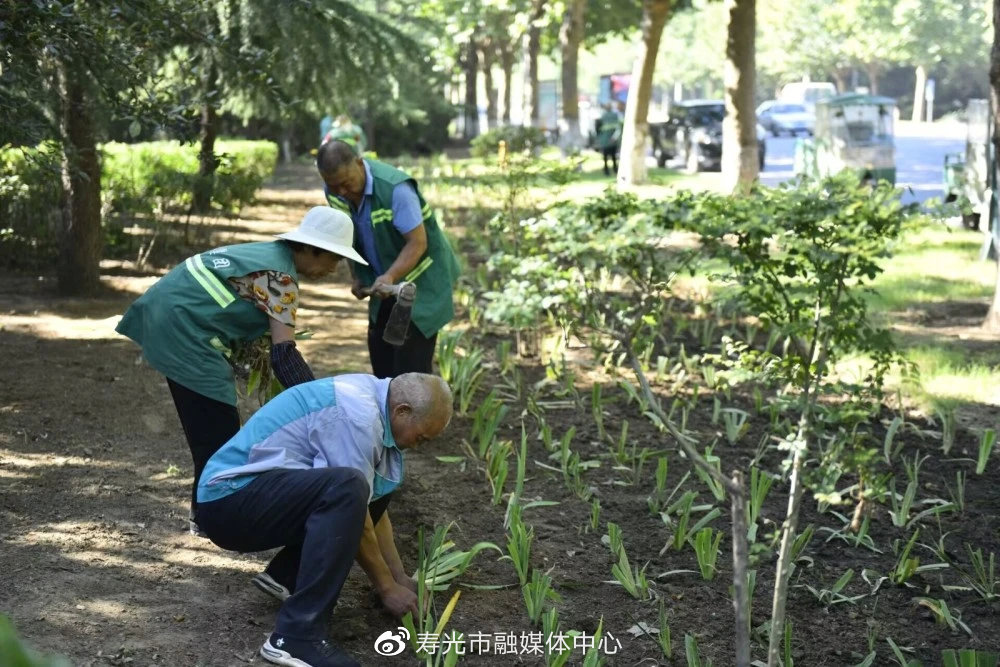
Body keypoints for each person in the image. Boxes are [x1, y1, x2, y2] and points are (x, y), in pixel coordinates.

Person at [115, 207, 367, 534]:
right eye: (334, 259)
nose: (335, 269)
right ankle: (212, 518)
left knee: (212, 428)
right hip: (184, 329)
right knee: (219, 435)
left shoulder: (268, 255)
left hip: (168, 312)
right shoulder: (282, 279)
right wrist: (320, 407)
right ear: (312, 250)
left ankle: (204, 514)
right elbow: (285, 356)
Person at [196, 372, 453, 667]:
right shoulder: (357, 416)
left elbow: (372, 508)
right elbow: (354, 511)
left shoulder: (378, 406)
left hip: (261, 494)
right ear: (402, 411)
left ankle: (286, 576)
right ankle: (297, 635)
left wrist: (399, 577)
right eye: (420, 437)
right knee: (347, 488)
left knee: (372, 485)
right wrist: (386, 588)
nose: (418, 446)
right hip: (228, 500)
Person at [316, 140, 460, 379]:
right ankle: (389, 415)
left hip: (421, 284)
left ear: (359, 163)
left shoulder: (396, 189)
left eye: (346, 183)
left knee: (411, 372)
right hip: (385, 285)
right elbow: (349, 235)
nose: (341, 191)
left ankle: (421, 415)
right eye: (333, 186)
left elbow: (417, 242)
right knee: (382, 365)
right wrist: (357, 276)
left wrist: (390, 275)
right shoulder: (335, 190)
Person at [595, 102, 624, 176]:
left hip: (605, 140)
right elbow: (618, 128)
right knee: (613, 156)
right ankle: (613, 169)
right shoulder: (614, 115)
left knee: (606, 156)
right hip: (611, 140)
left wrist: (599, 139)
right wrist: (614, 137)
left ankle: (607, 170)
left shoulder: (603, 116)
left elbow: (598, 128)